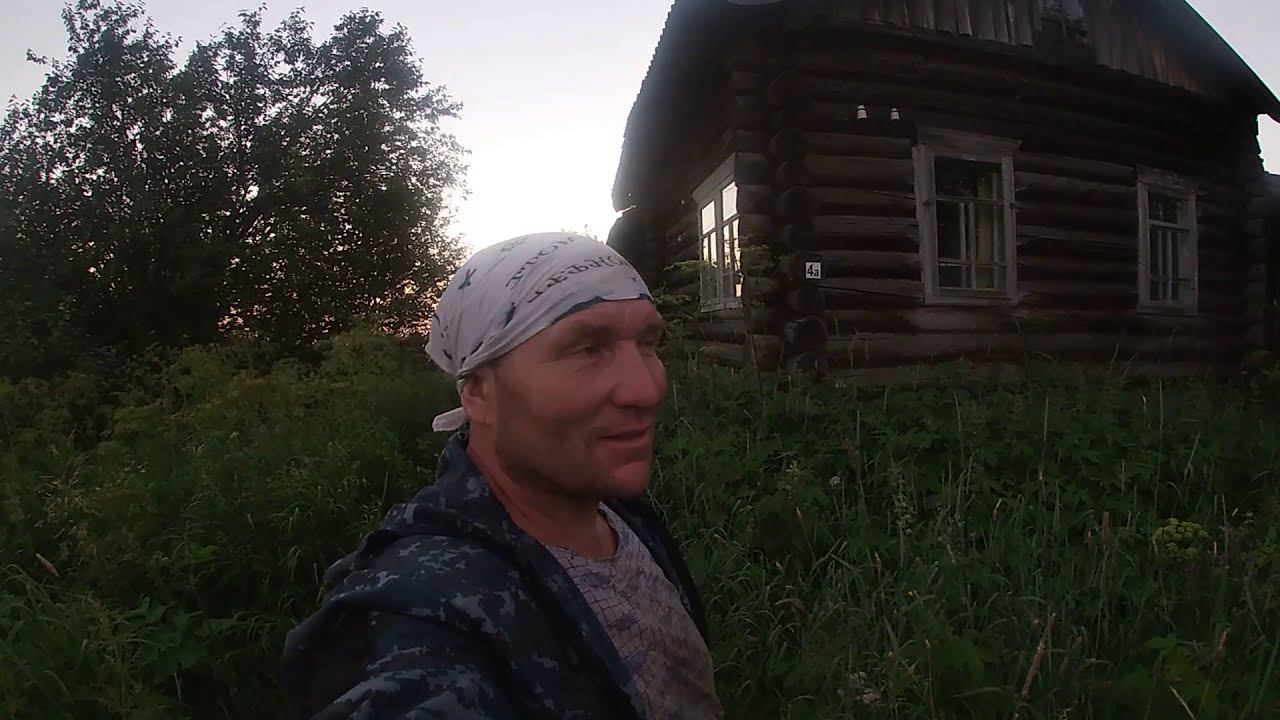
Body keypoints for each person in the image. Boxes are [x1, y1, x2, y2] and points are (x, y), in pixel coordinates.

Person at [281, 233, 723, 719]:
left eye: (648, 343)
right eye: (587, 349)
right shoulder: (427, 600)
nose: (646, 389)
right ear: (478, 392)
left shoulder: (615, 510)